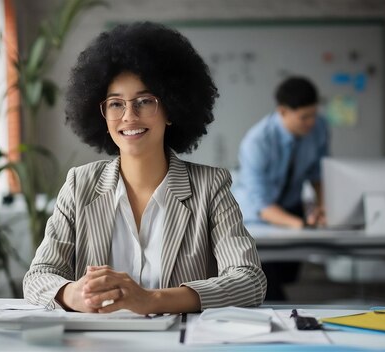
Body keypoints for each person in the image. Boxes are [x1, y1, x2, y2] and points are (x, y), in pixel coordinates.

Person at [23, 22, 266, 314]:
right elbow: (37, 277)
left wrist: (152, 300)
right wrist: (74, 294)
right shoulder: (79, 185)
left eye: (145, 101)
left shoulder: (210, 187)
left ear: (172, 109)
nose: (129, 116)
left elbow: (250, 281)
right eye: (115, 104)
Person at [233, 76, 329, 301]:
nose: (311, 122)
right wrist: (303, 225)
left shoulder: (319, 127)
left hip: (291, 207)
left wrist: (322, 208)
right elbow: (263, 206)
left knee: (287, 275)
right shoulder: (256, 142)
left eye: (314, 114)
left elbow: (319, 175)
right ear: (283, 111)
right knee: (268, 285)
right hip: (257, 219)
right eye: (304, 117)